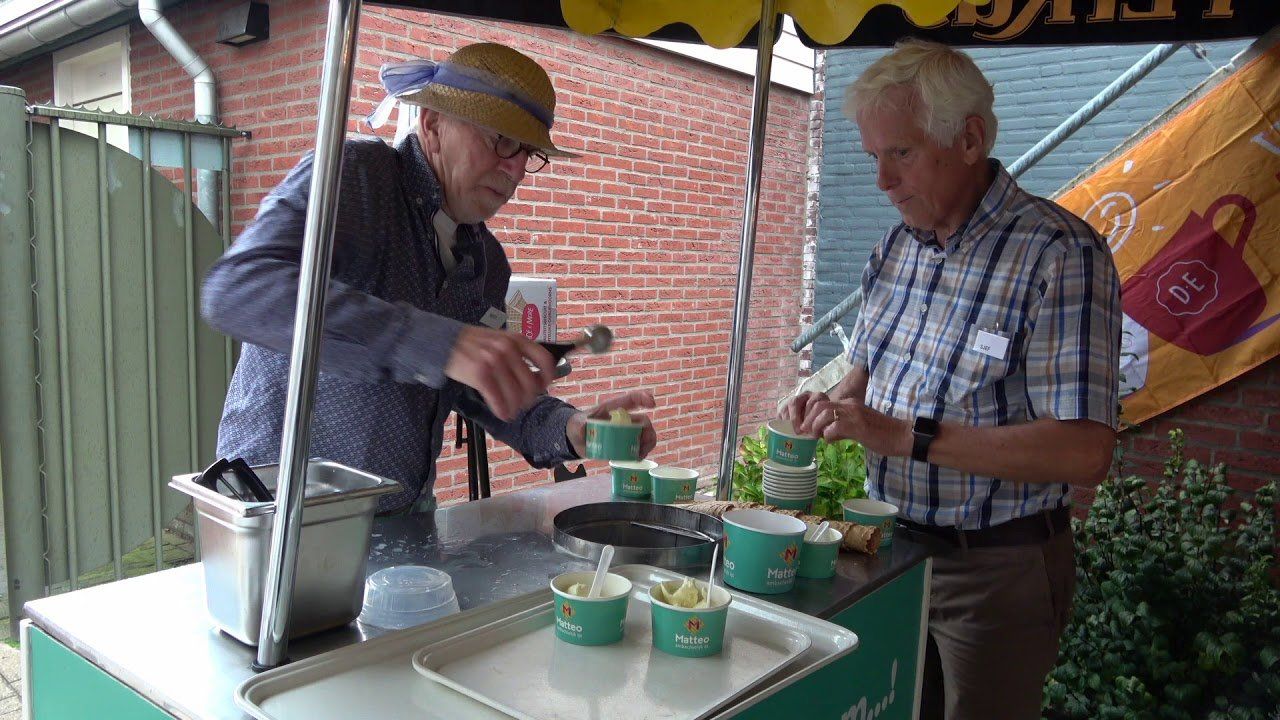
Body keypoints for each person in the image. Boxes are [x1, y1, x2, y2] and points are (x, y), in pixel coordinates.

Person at [783, 40, 1120, 720]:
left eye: (900, 153)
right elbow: (864, 383)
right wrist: (834, 407)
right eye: (873, 156)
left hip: (996, 570)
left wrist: (908, 437)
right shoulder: (895, 248)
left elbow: (1084, 451)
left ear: (969, 138)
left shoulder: (1060, 252)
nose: (881, 180)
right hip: (889, 548)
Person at [202, 42, 656, 514]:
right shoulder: (355, 178)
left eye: (529, 152)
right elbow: (236, 289)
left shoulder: (487, 263)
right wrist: (439, 343)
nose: (517, 168)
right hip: (278, 518)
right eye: (502, 139)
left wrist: (572, 428)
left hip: (406, 518)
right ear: (433, 124)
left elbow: (482, 389)